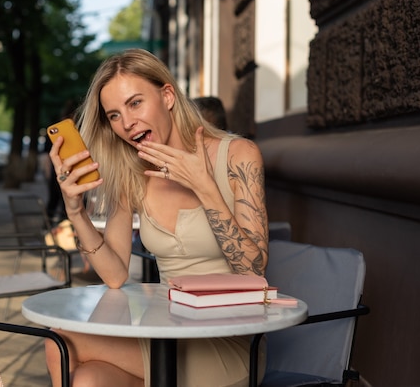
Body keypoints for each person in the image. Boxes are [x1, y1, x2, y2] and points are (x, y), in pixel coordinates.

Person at [46, 48, 269, 386]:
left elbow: (254, 272)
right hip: (167, 332)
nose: (127, 123)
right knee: (88, 380)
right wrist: (75, 212)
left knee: (60, 340)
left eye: (135, 103)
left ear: (167, 96)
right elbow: (116, 275)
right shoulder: (133, 172)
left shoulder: (239, 155)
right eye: (114, 115)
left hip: (230, 341)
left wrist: (205, 187)